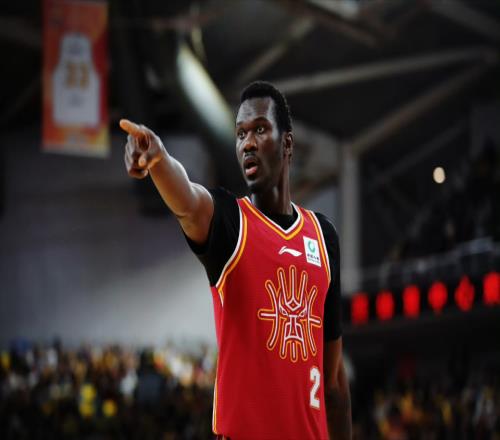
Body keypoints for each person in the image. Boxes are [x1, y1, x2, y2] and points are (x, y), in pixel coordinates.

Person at [120, 81, 352, 439]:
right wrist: (160, 160)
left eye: (259, 129)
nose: (248, 143)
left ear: (287, 143)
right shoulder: (231, 221)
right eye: (241, 134)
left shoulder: (323, 237)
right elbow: (188, 202)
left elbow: (334, 381)